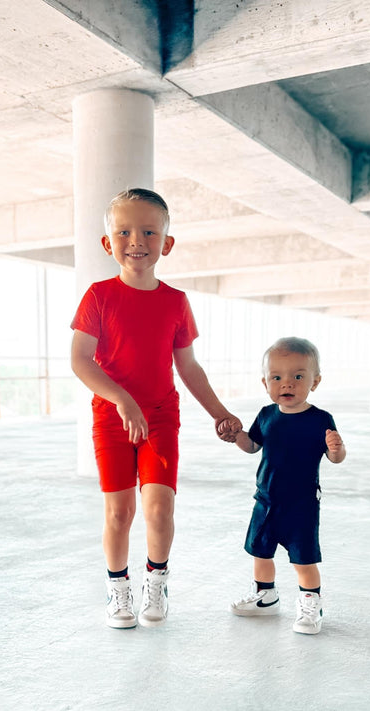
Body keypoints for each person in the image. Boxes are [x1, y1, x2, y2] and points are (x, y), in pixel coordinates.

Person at [70, 188, 241, 630]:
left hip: (162, 415)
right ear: (108, 244)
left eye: (148, 230)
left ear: (166, 243)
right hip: (113, 418)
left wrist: (220, 413)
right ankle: (118, 589)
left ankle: (156, 582)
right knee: (119, 512)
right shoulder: (98, 296)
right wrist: (122, 399)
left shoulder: (175, 302)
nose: (136, 240)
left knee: (159, 508)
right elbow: (79, 360)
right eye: (123, 231)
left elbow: (189, 367)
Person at [218, 337, 345, 634]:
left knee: (303, 557)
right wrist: (236, 436)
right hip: (266, 500)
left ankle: (311, 603)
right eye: (277, 377)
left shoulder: (320, 419)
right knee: (261, 551)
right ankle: (265, 596)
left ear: (315, 382)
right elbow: (252, 446)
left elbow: (334, 457)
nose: (286, 384)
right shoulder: (266, 415)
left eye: (298, 376)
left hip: (301, 503)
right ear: (265, 382)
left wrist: (337, 449)